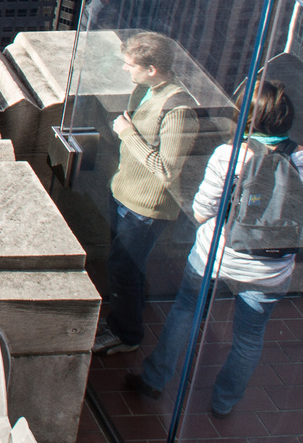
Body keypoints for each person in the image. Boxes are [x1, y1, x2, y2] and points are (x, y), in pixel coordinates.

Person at [128, 82, 303, 418]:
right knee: (249, 338)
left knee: (185, 310)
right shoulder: (300, 158)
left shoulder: (230, 154)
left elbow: (202, 209)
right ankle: (224, 402)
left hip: (216, 256)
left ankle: (154, 379)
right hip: (270, 268)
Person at [93, 31, 197, 355]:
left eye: (130, 65)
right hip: (125, 194)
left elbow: (167, 170)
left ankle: (127, 334)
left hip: (145, 209)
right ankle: (125, 320)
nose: (126, 70)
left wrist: (127, 134)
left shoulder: (178, 109)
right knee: (124, 268)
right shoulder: (148, 90)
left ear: (152, 68)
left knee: (124, 270)